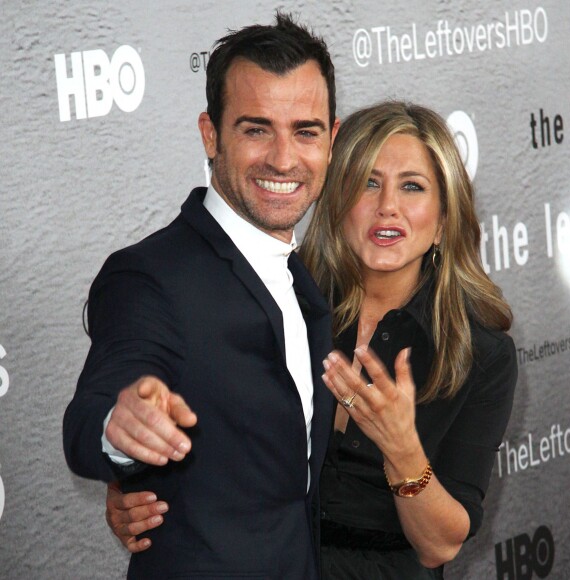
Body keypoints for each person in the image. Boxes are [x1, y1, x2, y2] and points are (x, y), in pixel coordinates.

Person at [106, 101, 517, 579]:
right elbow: (201, 446)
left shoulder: (481, 352)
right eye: (367, 181)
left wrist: (402, 447)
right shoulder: (275, 302)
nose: (388, 205)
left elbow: (438, 546)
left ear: (445, 217)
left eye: (412, 186)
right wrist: (133, 494)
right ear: (336, 200)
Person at [63, 12, 340, 579]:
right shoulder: (150, 277)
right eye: (256, 128)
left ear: (332, 140)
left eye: (305, 130)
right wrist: (119, 426)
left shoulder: (304, 276)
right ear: (211, 135)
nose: (284, 159)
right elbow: (95, 409)